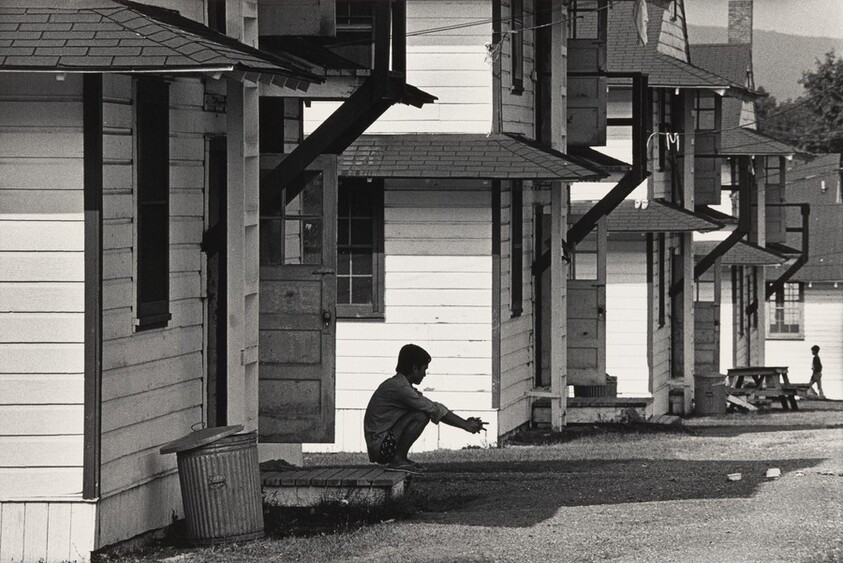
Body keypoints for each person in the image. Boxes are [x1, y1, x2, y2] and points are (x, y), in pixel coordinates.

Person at [363, 344, 487, 471]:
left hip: (382, 445)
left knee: (422, 411)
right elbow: (433, 409)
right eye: (424, 369)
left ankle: (400, 459)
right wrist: (465, 425)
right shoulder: (401, 388)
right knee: (421, 415)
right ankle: (398, 460)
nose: (425, 374)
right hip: (382, 447)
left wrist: (464, 423)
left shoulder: (400, 385)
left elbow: (434, 407)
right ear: (415, 368)